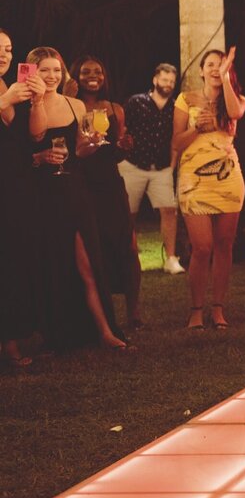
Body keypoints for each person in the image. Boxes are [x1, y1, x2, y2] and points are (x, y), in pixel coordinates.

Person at [24, 47, 130, 352]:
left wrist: (92, 144)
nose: (52, 76)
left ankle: (104, 330)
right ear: (32, 72)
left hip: (73, 189)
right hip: (41, 193)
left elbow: (80, 152)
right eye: (45, 71)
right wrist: (39, 154)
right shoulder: (24, 106)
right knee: (51, 262)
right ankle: (59, 333)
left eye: (56, 70)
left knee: (87, 261)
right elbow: (34, 136)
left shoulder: (75, 105)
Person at [173, 48, 245, 330]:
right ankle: (195, 310)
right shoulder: (186, 99)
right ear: (201, 70)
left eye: (222, 65)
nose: (216, 68)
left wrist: (226, 78)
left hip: (228, 178)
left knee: (224, 245)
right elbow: (177, 143)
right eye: (211, 64)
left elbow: (235, 112)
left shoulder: (236, 98)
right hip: (194, 180)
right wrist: (197, 130)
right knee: (202, 247)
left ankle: (218, 309)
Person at [70, 55, 143, 330]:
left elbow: (114, 153)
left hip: (110, 184)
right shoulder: (72, 107)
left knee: (128, 245)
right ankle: (98, 310)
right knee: (93, 248)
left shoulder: (114, 109)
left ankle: (133, 309)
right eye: (86, 71)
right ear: (75, 76)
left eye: (98, 72)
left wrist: (124, 145)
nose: (93, 76)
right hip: (82, 183)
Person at [0, 29, 42, 366]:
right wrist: (5, 101)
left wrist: (37, 101)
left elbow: (31, 135)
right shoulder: (7, 93)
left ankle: (11, 342)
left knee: (12, 260)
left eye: (9, 49)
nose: (4, 55)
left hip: (15, 181)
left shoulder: (10, 86)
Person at [121, 63, 185, 275]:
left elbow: (176, 138)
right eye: (164, 79)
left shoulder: (176, 107)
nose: (168, 84)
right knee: (128, 213)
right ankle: (129, 256)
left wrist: (173, 164)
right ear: (155, 80)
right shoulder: (136, 102)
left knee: (169, 211)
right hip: (133, 164)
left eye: (171, 81)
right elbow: (123, 128)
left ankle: (171, 259)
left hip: (162, 167)